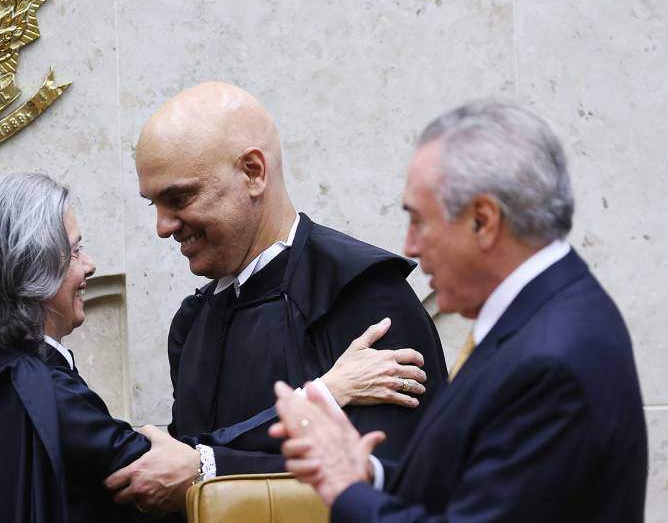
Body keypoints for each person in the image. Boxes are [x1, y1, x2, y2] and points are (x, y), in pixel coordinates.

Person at [271, 101, 648, 521]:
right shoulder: (548, 311)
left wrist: (345, 487)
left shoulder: (551, 360)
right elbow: (481, 483)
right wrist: (371, 475)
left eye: (419, 221)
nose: (410, 246)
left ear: (483, 221)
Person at [105, 82, 448, 513]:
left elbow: (389, 484)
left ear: (253, 172)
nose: (163, 226)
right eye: (153, 204)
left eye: (179, 197)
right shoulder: (192, 323)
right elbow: (176, 471)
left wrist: (207, 469)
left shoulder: (362, 296)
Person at [0, 173, 152, 522]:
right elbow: (159, 476)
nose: (90, 265)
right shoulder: (41, 390)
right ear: (29, 271)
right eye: (74, 252)